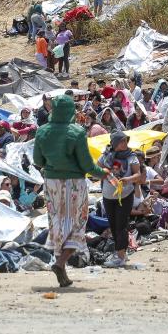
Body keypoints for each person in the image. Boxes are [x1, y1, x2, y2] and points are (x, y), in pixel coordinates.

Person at [32, 94, 109, 288]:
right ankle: (60, 263)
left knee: (57, 223)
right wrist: (103, 173)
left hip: (51, 183)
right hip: (74, 184)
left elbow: (38, 161)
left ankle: (62, 271)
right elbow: (86, 164)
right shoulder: (76, 132)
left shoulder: (42, 131)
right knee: (77, 223)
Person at [97, 131, 142, 268]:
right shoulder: (106, 155)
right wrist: (106, 172)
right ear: (115, 143)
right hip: (108, 196)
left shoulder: (131, 157)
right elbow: (97, 168)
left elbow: (138, 175)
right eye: (122, 141)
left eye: (125, 140)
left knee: (121, 225)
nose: (125, 143)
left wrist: (127, 179)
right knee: (113, 224)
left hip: (125, 196)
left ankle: (120, 257)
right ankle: (121, 252)